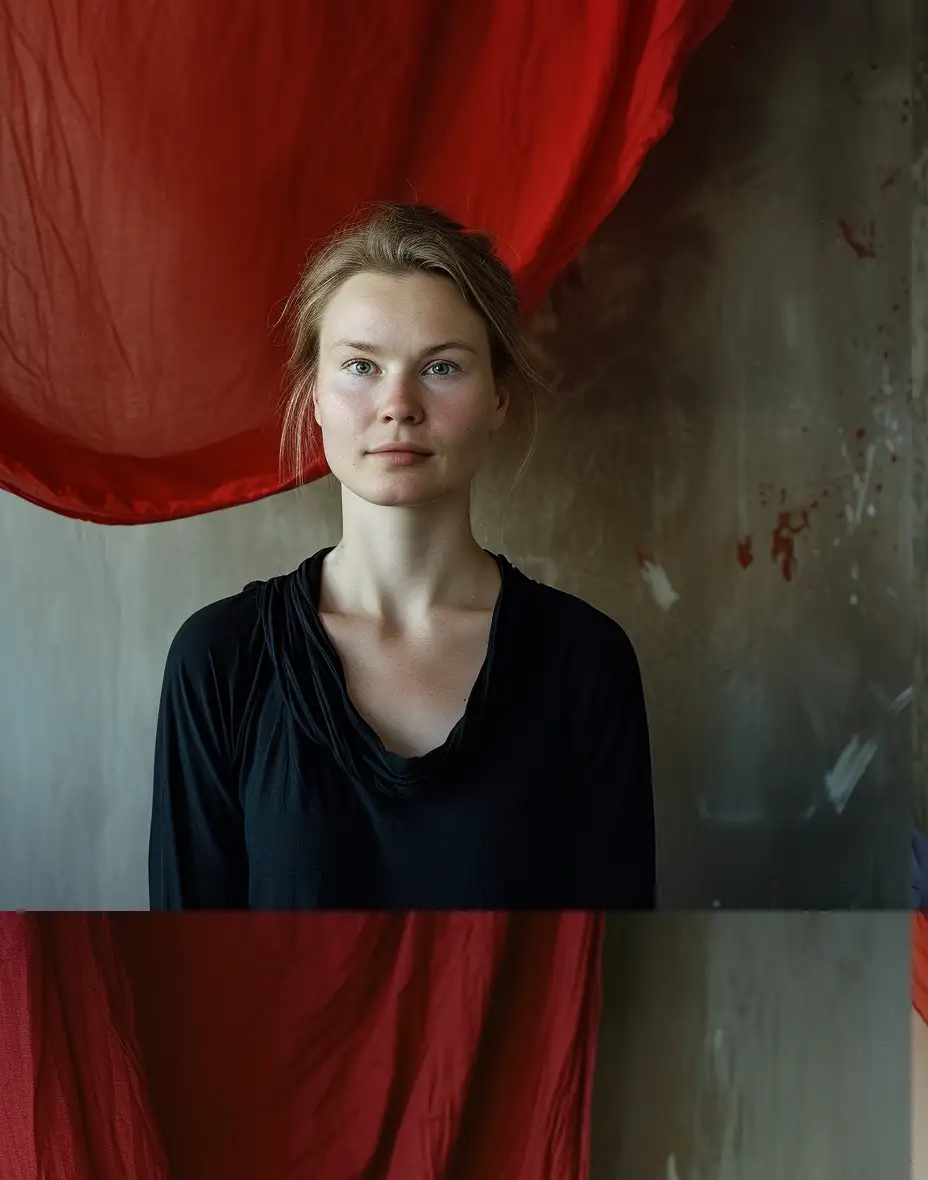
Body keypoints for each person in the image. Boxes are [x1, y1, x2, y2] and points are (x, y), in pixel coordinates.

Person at [149, 205, 656, 909]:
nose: (398, 404)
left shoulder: (585, 661)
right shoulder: (219, 660)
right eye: (360, 365)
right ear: (315, 395)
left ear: (499, 396)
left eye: (442, 367)